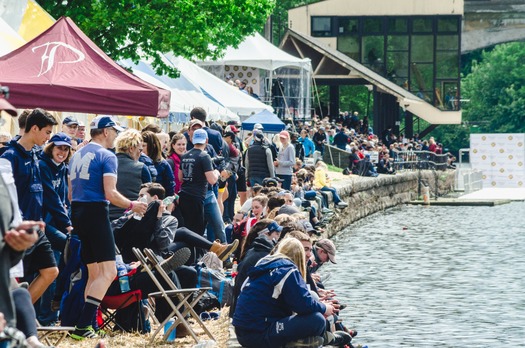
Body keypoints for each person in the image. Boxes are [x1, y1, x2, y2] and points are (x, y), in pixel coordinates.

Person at [68, 115, 147, 340]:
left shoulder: (77, 155)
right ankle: (84, 325)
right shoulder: (106, 155)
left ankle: (90, 324)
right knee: (109, 271)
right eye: (114, 131)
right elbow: (111, 194)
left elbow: (71, 194)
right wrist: (134, 205)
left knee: (94, 273)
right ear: (105, 132)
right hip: (95, 212)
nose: (115, 136)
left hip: (78, 212)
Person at [1, 109, 59, 304]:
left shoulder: (35, 154)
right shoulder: (9, 156)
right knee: (11, 279)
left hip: (36, 227)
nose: (48, 137)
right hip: (18, 229)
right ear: (34, 128)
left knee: (51, 271)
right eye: (47, 132)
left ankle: (19, 313)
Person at [233, 238, 334, 348]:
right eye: (305, 251)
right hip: (259, 335)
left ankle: (317, 339)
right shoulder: (287, 270)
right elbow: (303, 304)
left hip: (243, 333)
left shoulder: (265, 264)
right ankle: (303, 342)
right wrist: (324, 308)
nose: (309, 255)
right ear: (298, 255)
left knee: (313, 308)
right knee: (317, 320)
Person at [176, 129, 219, 237]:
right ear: (206, 140)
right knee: (197, 231)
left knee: (187, 227)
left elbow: (180, 177)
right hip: (197, 196)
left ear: (192, 139)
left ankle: (187, 252)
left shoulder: (185, 156)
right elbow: (212, 180)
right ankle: (196, 253)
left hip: (184, 195)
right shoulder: (204, 156)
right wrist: (217, 173)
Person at [109, 129, 152, 220]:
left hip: (107, 216)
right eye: (140, 150)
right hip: (131, 217)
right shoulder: (141, 168)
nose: (141, 154)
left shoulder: (107, 165)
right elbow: (149, 195)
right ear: (131, 149)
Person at [142, 131, 174, 196]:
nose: (141, 148)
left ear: (153, 146)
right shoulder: (137, 162)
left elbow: (170, 188)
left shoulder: (163, 164)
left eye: (144, 145)